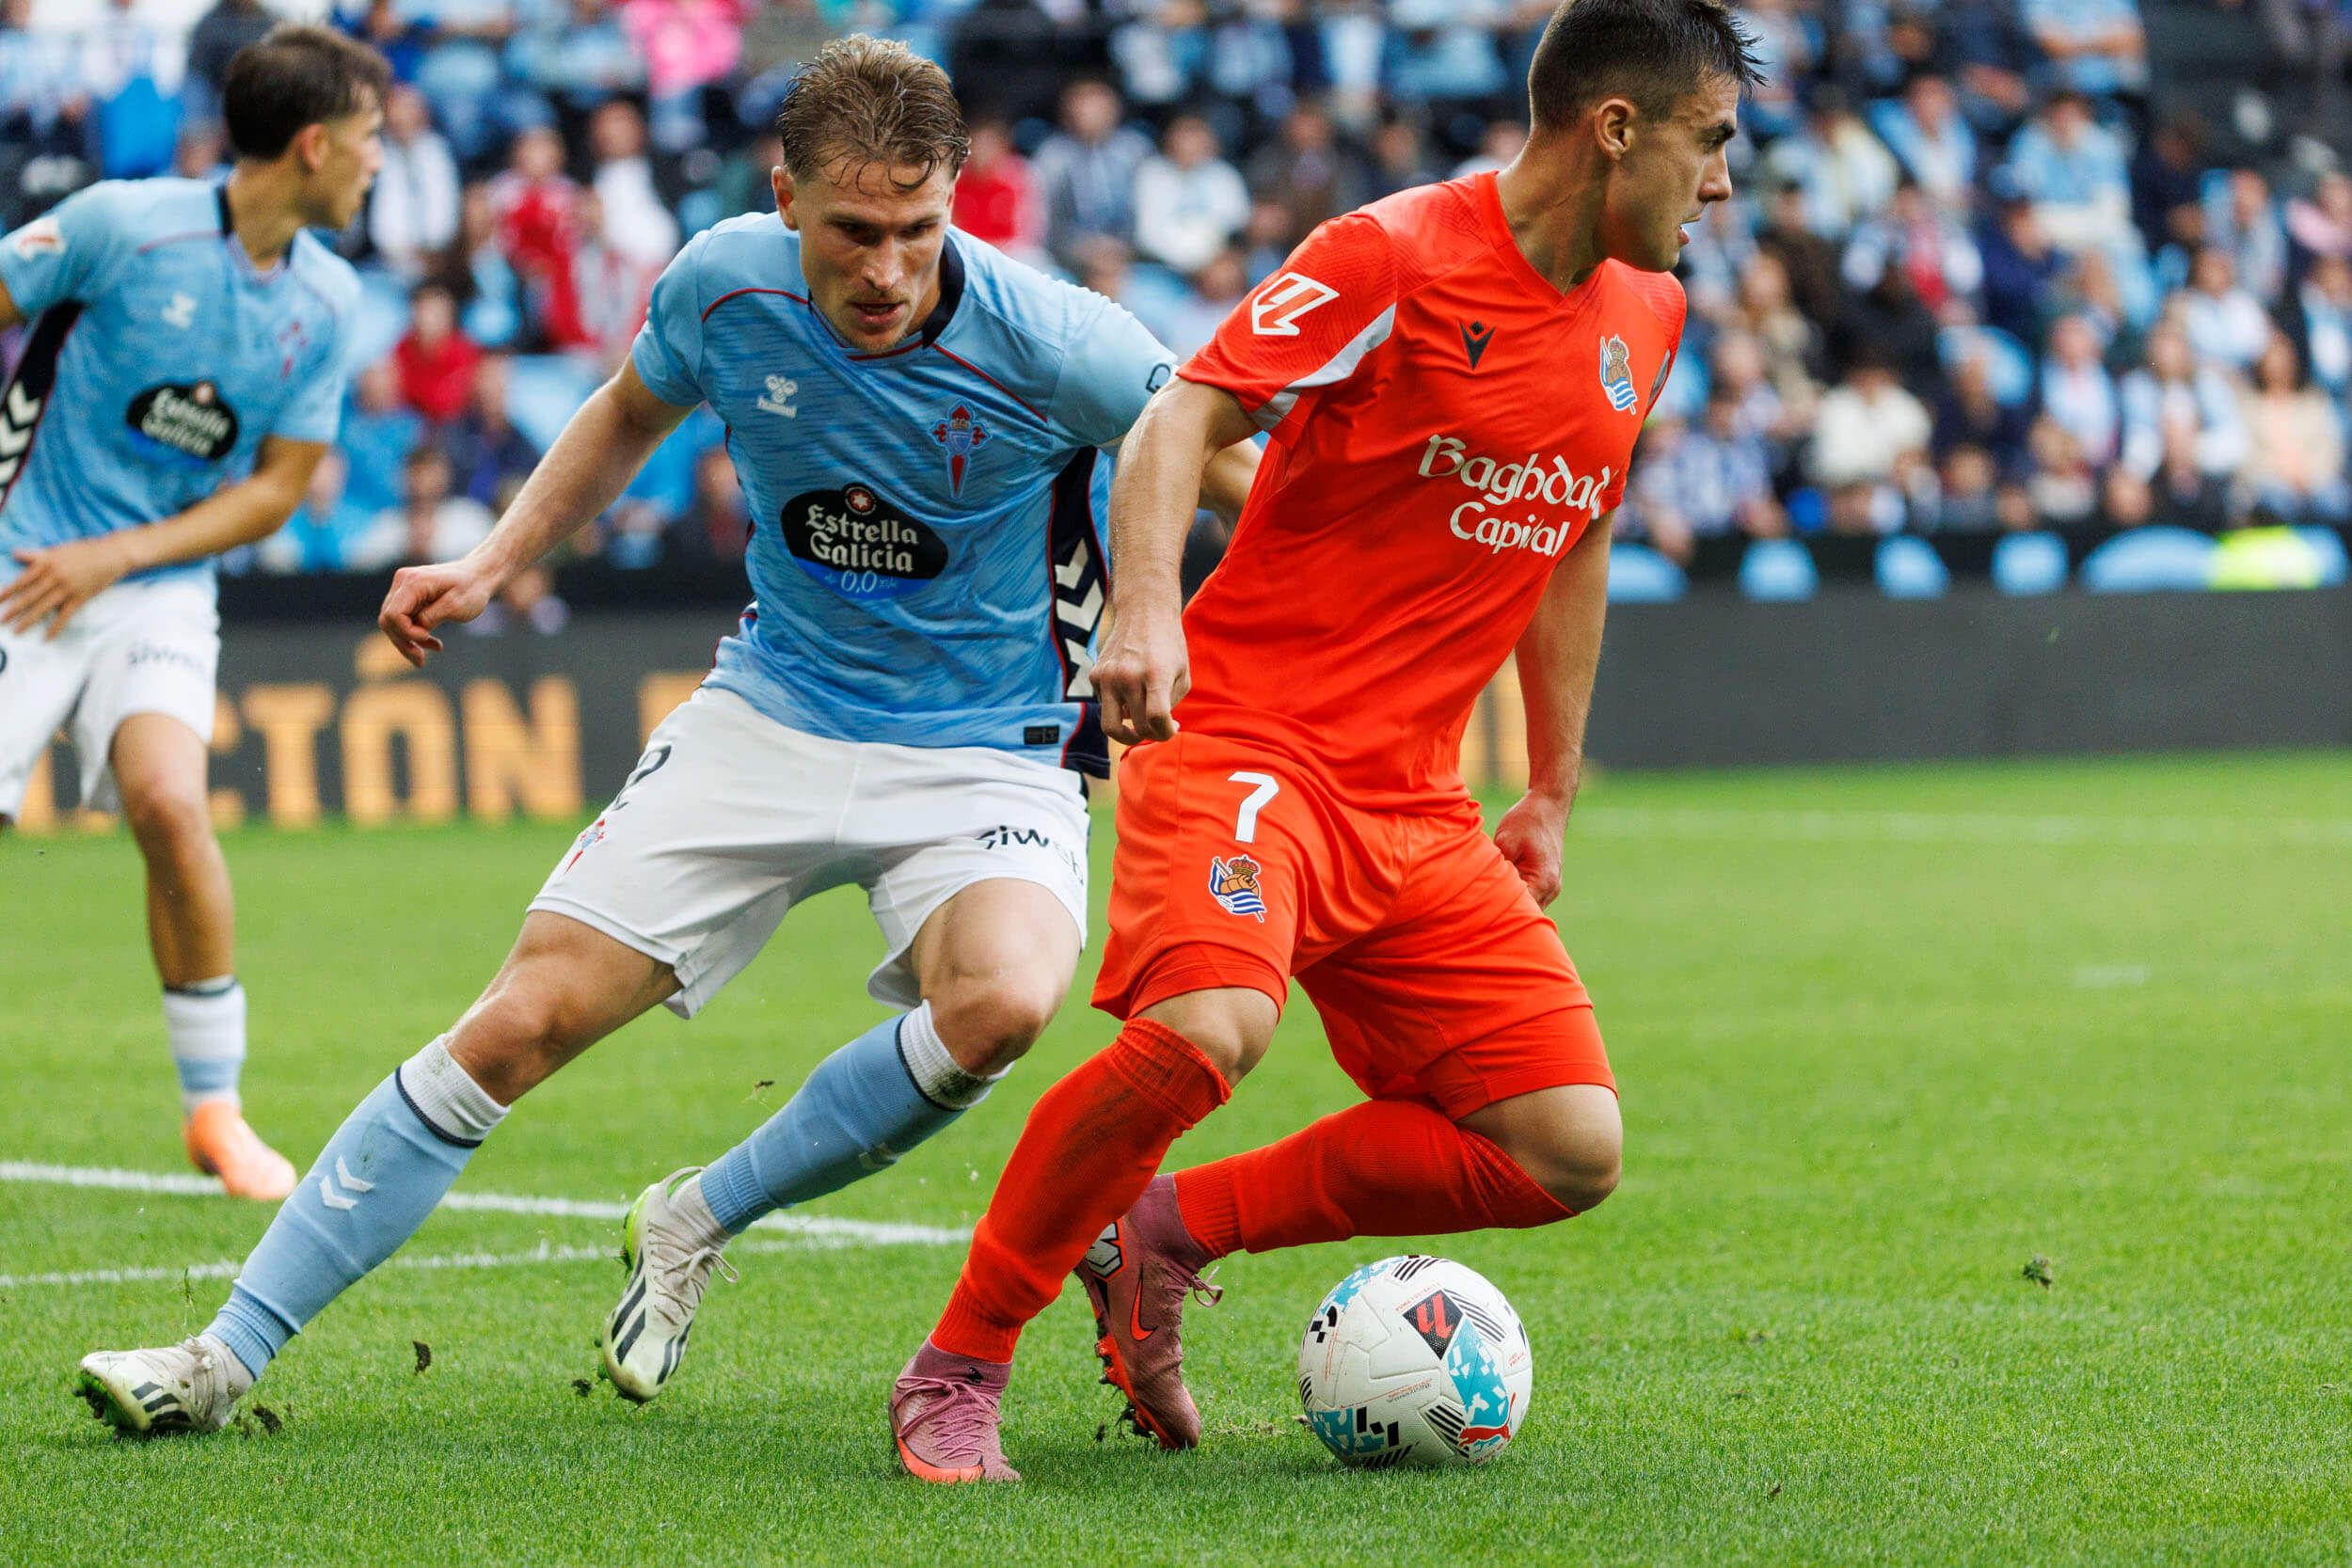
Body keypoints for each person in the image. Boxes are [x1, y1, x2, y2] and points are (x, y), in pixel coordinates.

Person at [74, 35, 1258, 1437]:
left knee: (1002, 1001)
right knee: (512, 1027)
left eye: (919, 231)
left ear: (959, 206)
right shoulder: (725, 281)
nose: (887, 270)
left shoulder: (1054, 337)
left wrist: (1149, 606)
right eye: (854, 232)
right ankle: (220, 1358)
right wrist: (495, 556)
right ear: (785, 197)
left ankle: (698, 1212)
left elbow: (1216, 446)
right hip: (772, 710)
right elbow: (629, 408)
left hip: (985, 748)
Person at [888, 0, 1755, 1483]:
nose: (1725, 186)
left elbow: (1580, 526)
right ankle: (961, 1357)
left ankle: (1163, 1228)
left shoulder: (1647, 317)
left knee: (1566, 1145)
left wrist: (1546, 782)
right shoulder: (1392, 256)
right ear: (1618, 128)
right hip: (1245, 743)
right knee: (1208, 1033)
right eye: (1712, 142)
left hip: (1415, 800)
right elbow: (1179, 422)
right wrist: (1145, 613)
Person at [0, 26, 382, 1200]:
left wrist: (121, 554)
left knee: (171, 802)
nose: (376, 164)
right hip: (20, 566)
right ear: (313, 145)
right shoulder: (125, 222)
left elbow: (273, 488)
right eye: (367, 141)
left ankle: (214, 1109)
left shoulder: (326, 297)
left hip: (148, 580)